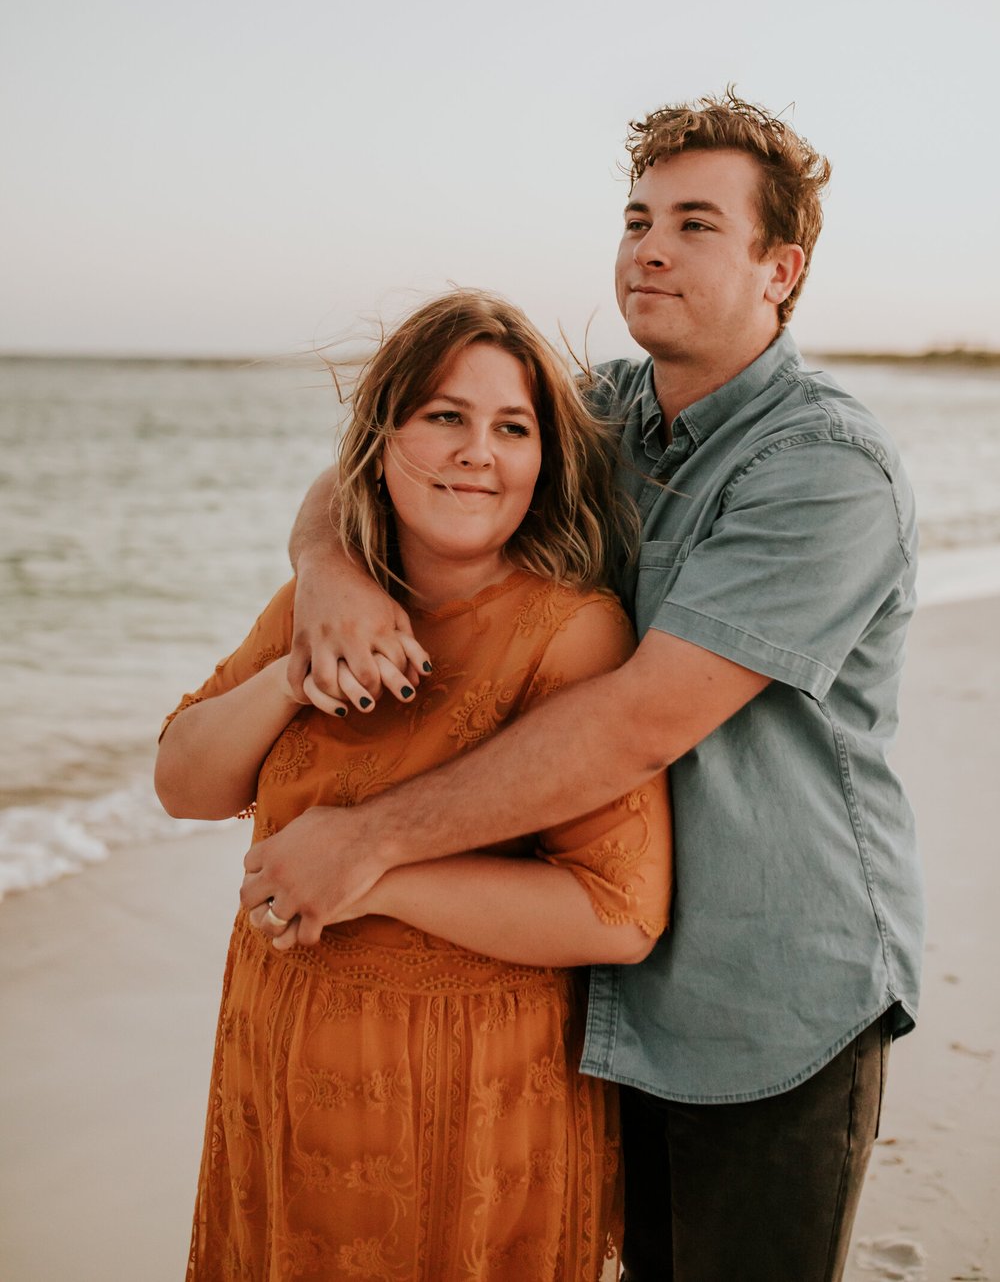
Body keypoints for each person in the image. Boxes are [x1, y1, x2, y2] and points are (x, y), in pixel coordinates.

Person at [243, 91, 925, 1281]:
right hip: (596, 989)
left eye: (697, 224)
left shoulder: (825, 469)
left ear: (781, 268)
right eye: (637, 215)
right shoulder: (600, 412)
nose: (648, 245)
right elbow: (382, 456)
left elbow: (633, 723)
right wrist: (328, 568)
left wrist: (367, 843)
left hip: (769, 992)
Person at [155, 291, 671, 1281]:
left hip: (466, 1105)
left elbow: (617, 914)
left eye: (510, 427)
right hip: (279, 1078)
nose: (478, 450)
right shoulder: (321, 597)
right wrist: (291, 672)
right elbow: (182, 782)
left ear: (542, 462)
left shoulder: (570, 632)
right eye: (445, 416)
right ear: (383, 436)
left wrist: (369, 874)